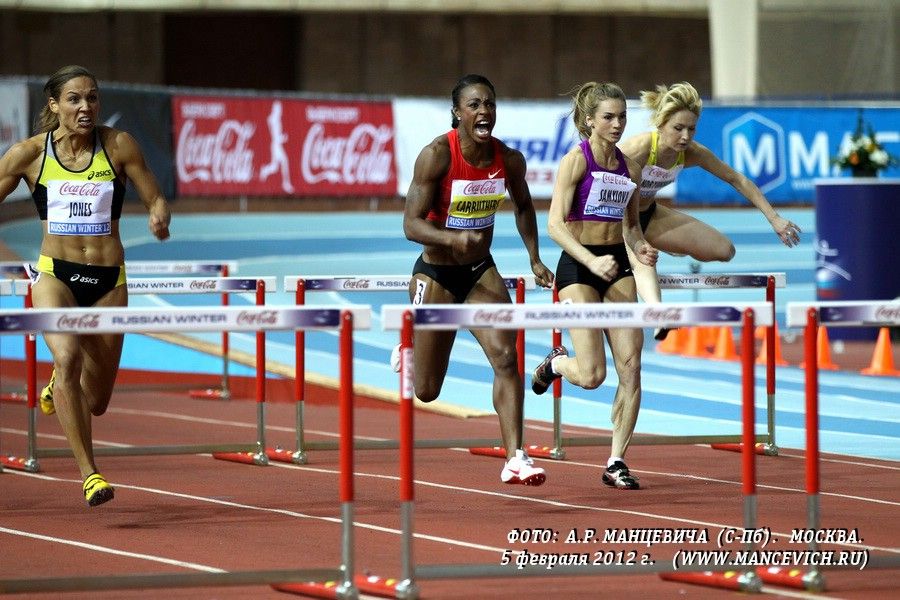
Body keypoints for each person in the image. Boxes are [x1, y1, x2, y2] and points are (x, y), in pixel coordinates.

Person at [0, 65, 172, 506]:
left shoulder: (118, 146)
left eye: (92, 98)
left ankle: (59, 385)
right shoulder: (28, 155)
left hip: (108, 280)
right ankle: (89, 474)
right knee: (67, 357)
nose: (85, 107)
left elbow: (154, 195)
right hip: (54, 274)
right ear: (54, 105)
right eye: (74, 99)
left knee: (96, 400)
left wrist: (158, 215)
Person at [401, 74, 554, 486]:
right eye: (474, 105)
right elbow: (411, 224)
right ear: (457, 113)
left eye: (489, 104)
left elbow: (524, 206)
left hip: (479, 271)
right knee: (426, 390)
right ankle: (410, 339)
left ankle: (515, 457)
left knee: (506, 357)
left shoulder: (509, 159)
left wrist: (535, 258)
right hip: (436, 273)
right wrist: (451, 238)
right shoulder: (437, 155)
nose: (484, 111)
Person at [530, 82, 659, 490]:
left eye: (622, 116)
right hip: (578, 267)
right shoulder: (575, 161)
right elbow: (554, 225)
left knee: (632, 367)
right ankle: (555, 364)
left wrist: (641, 247)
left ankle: (616, 460)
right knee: (591, 375)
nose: (618, 124)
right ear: (590, 121)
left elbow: (631, 227)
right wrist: (589, 260)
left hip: (616, 265)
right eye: (609, 117)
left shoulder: (631, 169)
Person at [617, 82, 801, 340]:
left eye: (691, 129)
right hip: (618, 220)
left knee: (724, 250)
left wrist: (774, 218)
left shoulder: (691, 152)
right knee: (643, 258)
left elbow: (737, 179)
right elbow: (595, 176)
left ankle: (659, 242)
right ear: (661, 124)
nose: (685, 136)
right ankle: (659, 315)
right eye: (678, 128)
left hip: (649, 214)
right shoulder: (639, 148)